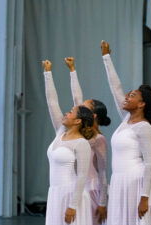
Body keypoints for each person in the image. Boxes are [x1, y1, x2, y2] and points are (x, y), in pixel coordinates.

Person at [100, 41, 151, 225]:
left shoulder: (144, 127)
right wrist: (106, 58)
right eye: (128, 95)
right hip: (120, 181)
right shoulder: (126, 120)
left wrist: (144, 197)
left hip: (137, 182)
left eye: (132, 96)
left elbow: (150, 162)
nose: (127, 97)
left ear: (142, 104)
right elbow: (116, 88)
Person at [42, 60, 93, 225]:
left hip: (71, 195)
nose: (66, 112)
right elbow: (52, 102)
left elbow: (82, 176)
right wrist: (47, 73)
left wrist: (73, 205)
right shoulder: (60, 131)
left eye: (71, 112)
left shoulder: (81, 143)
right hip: (55, 193)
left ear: (78, 121)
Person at [64, 57, 110, 225]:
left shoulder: (99, 140)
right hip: (76, 186)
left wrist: (103, 202)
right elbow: (77, 98)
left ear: (93, 116)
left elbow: (103, 172)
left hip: (91, 189)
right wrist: (72, 70)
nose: (79, 108)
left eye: (85, 108)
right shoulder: (80, 135)